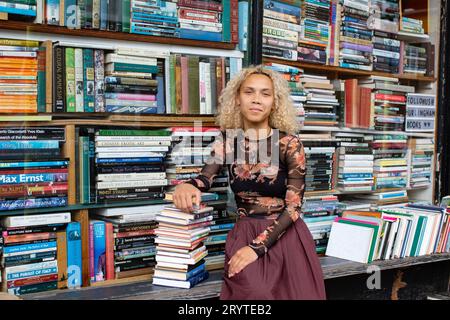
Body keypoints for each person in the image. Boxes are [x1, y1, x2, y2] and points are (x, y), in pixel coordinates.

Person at [172, 65, 326, 300]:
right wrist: (188, 185)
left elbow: (294, 207)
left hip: (286, 235)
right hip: (244, 232)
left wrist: (257, 248)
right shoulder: (227, 141)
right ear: (237, 98)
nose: (256, 100)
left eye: (265, 94)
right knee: (253, 294)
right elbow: (205, 178)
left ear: (274, 102)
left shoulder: (289, 144)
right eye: (249, 92)